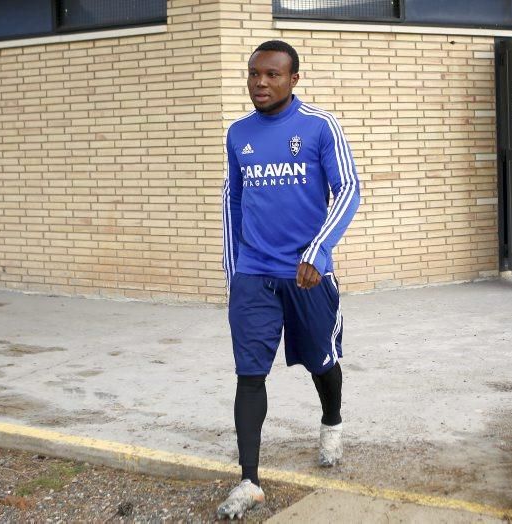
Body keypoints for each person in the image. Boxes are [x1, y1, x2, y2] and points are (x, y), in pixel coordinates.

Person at [218, 40, 361, 520]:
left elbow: (348, 189)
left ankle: (332, 423)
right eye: (254, 74)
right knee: (249, 372)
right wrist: (233, 268)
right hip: (254, 273)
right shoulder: (239, 133)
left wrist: (317, 252)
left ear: (293, 79)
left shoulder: (319, 126)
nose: (261, 82)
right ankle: (249, 480)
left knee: (323, 360)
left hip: (306, 275)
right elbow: (232, 201)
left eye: (272, 75)